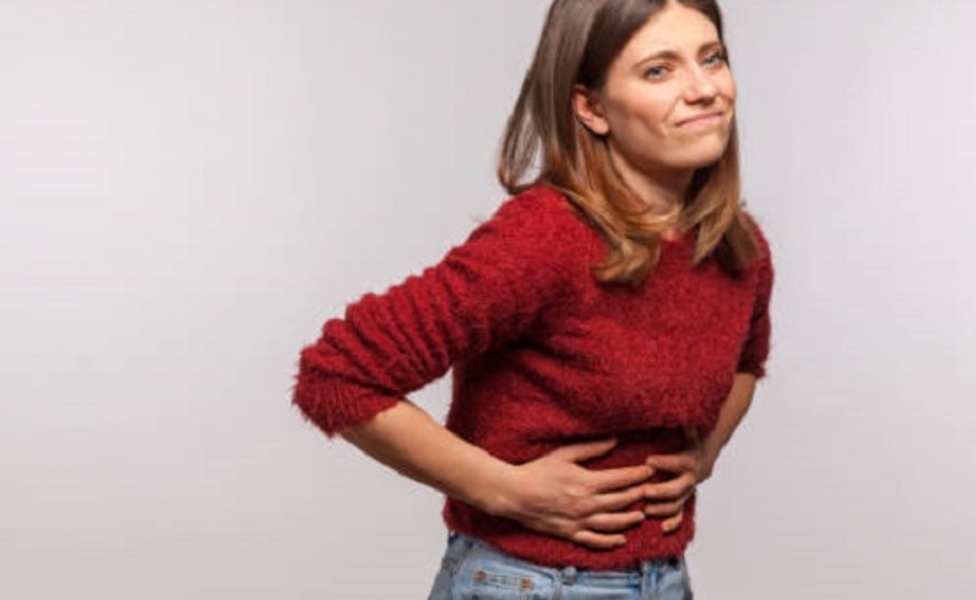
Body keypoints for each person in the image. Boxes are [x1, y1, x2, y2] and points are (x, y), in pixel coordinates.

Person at [292, 0, 773, 597]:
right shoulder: (545, 239)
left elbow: (747, 361)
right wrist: (505, 490)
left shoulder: (737, 248)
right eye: (659, 70)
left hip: (664, 579)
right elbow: (335, 375)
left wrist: (703, 454)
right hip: (530, 582)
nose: (704, 89)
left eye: (712, 58)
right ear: (591, 108)